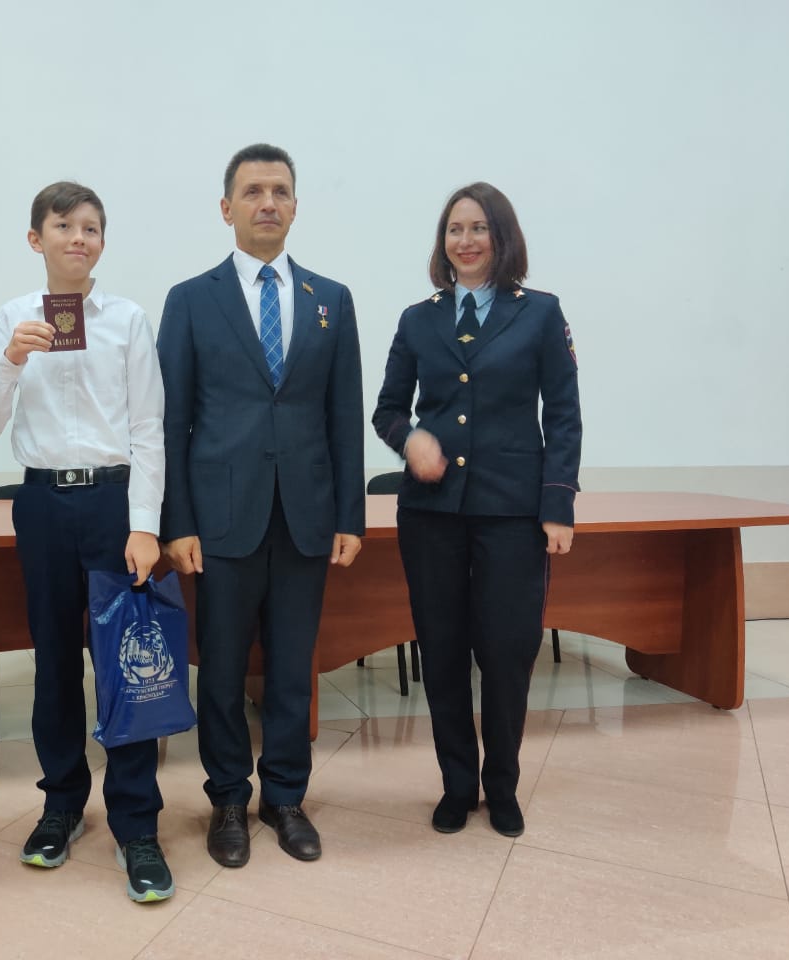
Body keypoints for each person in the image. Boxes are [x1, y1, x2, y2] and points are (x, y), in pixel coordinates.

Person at [157, 144, 365, 867]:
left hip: (306, 515)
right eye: (252, 191)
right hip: (220, 519)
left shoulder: (331, 299)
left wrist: (350, 516)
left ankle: (284, 797)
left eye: (279, 191)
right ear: (227, 208)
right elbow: (172, 421)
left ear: (296, 207)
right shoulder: (191, 299)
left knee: (291, 667)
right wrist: (177, 521)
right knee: (219, 670)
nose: (267, 202)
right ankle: (226, 800)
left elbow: (344, 415)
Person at [0, 181, 173, 903]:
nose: (78, 238)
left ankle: (137, 824)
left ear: (102, 242)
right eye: (63, 226)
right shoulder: (13, 316)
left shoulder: (128, 319)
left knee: (127, 663)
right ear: (37, 239)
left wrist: (145, 524)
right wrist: (11, 361)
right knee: (54, 660)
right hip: (44, 502)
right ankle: (60, 804)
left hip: (115, 503)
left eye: (90, 227)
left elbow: (148, 428)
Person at [372, 182, 582, 838]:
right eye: (454, 229)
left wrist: (558, 504)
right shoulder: (418, 319)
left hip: (512, 512)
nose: (465, 241)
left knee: (507, 652)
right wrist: (410, 439)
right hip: (432, 514)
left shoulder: (540, 313)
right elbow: (387, 410)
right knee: (441, 652)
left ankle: (503, 785)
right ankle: (457, 785)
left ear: (501, 237)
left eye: (478, 228)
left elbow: (564, 414)